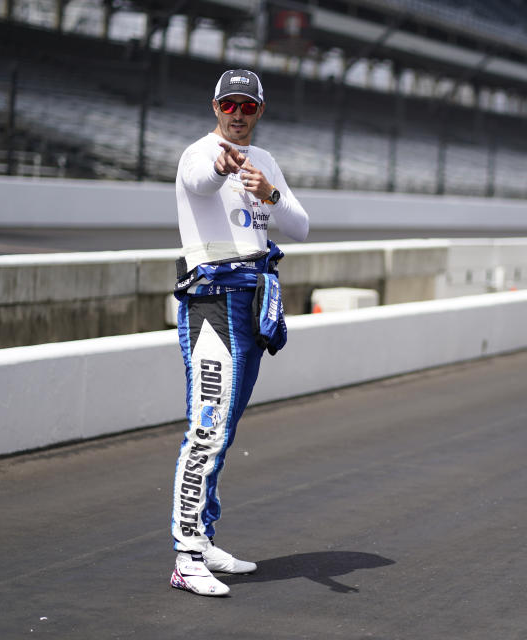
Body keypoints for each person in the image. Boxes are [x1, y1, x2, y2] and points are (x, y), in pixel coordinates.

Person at [169, 69, 309, 597]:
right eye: (229, 105)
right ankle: (185, 554)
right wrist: (222, 163)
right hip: (211, 299)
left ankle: (202, 540)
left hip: (254, 303)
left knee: (224, 428)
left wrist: (269, 192)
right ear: (214, 107)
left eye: (247, 107)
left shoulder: (267, 162)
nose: (238, 115)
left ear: (260, 111)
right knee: (206, 425)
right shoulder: (198, 153)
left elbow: (300, 226)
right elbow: (200, 180)